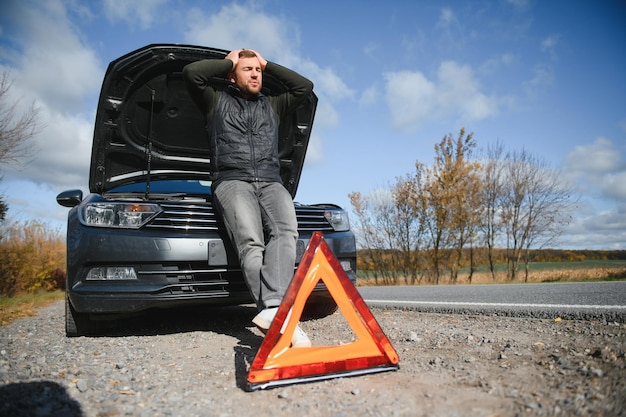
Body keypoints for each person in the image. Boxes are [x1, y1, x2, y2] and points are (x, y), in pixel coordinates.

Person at [183, 49, 313, 347]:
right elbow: (193, 74)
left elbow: (304, 87)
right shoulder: (215, 100)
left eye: (258, 70)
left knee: (286, 231)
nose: (255, 74)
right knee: (251, 242)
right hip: (232, 179)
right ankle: (276, 313)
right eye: (247, 70)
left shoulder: (275, 104)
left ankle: (275, 310)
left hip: (270, 180)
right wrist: (230, 60)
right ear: (232, 75)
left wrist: (268, 63)